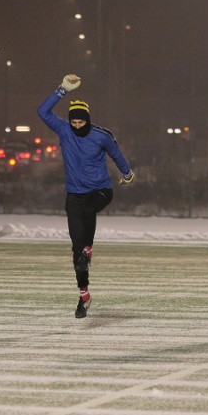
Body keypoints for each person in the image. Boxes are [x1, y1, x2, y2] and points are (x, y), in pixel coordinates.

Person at [37, 74, 135, 319]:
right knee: (76, 252)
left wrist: (127, 173)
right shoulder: (64, 130)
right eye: (74, 123)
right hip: (74, 195)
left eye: (81, 123)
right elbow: (42, 111)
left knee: (88, 211)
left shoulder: (101, 135)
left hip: (101, 191)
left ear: (88, 121)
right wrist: (61, 90)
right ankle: (84, 295)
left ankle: (87, 249)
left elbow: (116, 154)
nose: (77, 127)